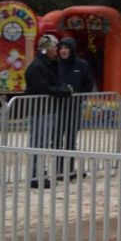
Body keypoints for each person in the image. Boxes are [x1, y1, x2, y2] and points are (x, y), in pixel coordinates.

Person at [24, 34, 70, 187]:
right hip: (40, 110)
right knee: (38, 143)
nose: (56, 51)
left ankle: (39, 173)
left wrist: (61, 88)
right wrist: (59, 91)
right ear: (48, 49)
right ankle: (35, 175)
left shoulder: (49, 64)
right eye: (54, 48)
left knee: (42, 143)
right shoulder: (37, 66)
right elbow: (42, 88)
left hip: (47, 109)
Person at [53, 37, 97, 176]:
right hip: (57, 107)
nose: (63, 51)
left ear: (72, 49)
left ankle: (70, 169)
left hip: (74, 107)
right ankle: (59, 169)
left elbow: (88, 83)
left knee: (71, 139)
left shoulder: (82, 64)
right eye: (61, 48)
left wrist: (81, 97)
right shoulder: (55, 64)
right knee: (57, 138)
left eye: (66, 48)